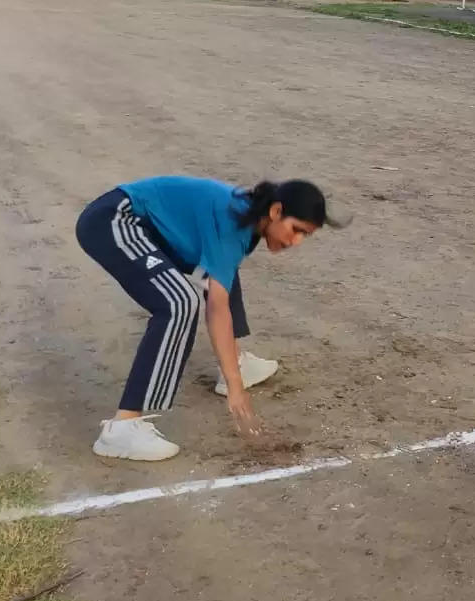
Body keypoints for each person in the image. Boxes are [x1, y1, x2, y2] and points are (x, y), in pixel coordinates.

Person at [75, 176, 334, 461]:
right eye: (296, 230)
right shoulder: (233, 222)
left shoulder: (247, 216)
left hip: (151, 230)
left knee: (222, 273)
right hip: (115, 221)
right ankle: (122, 428)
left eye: (305, 235)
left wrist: (232, 374)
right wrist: (236, 390)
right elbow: (217, 309)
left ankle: (232, 364)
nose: (296, 242)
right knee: (178, 303)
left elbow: (218, 281)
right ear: (275, 212)